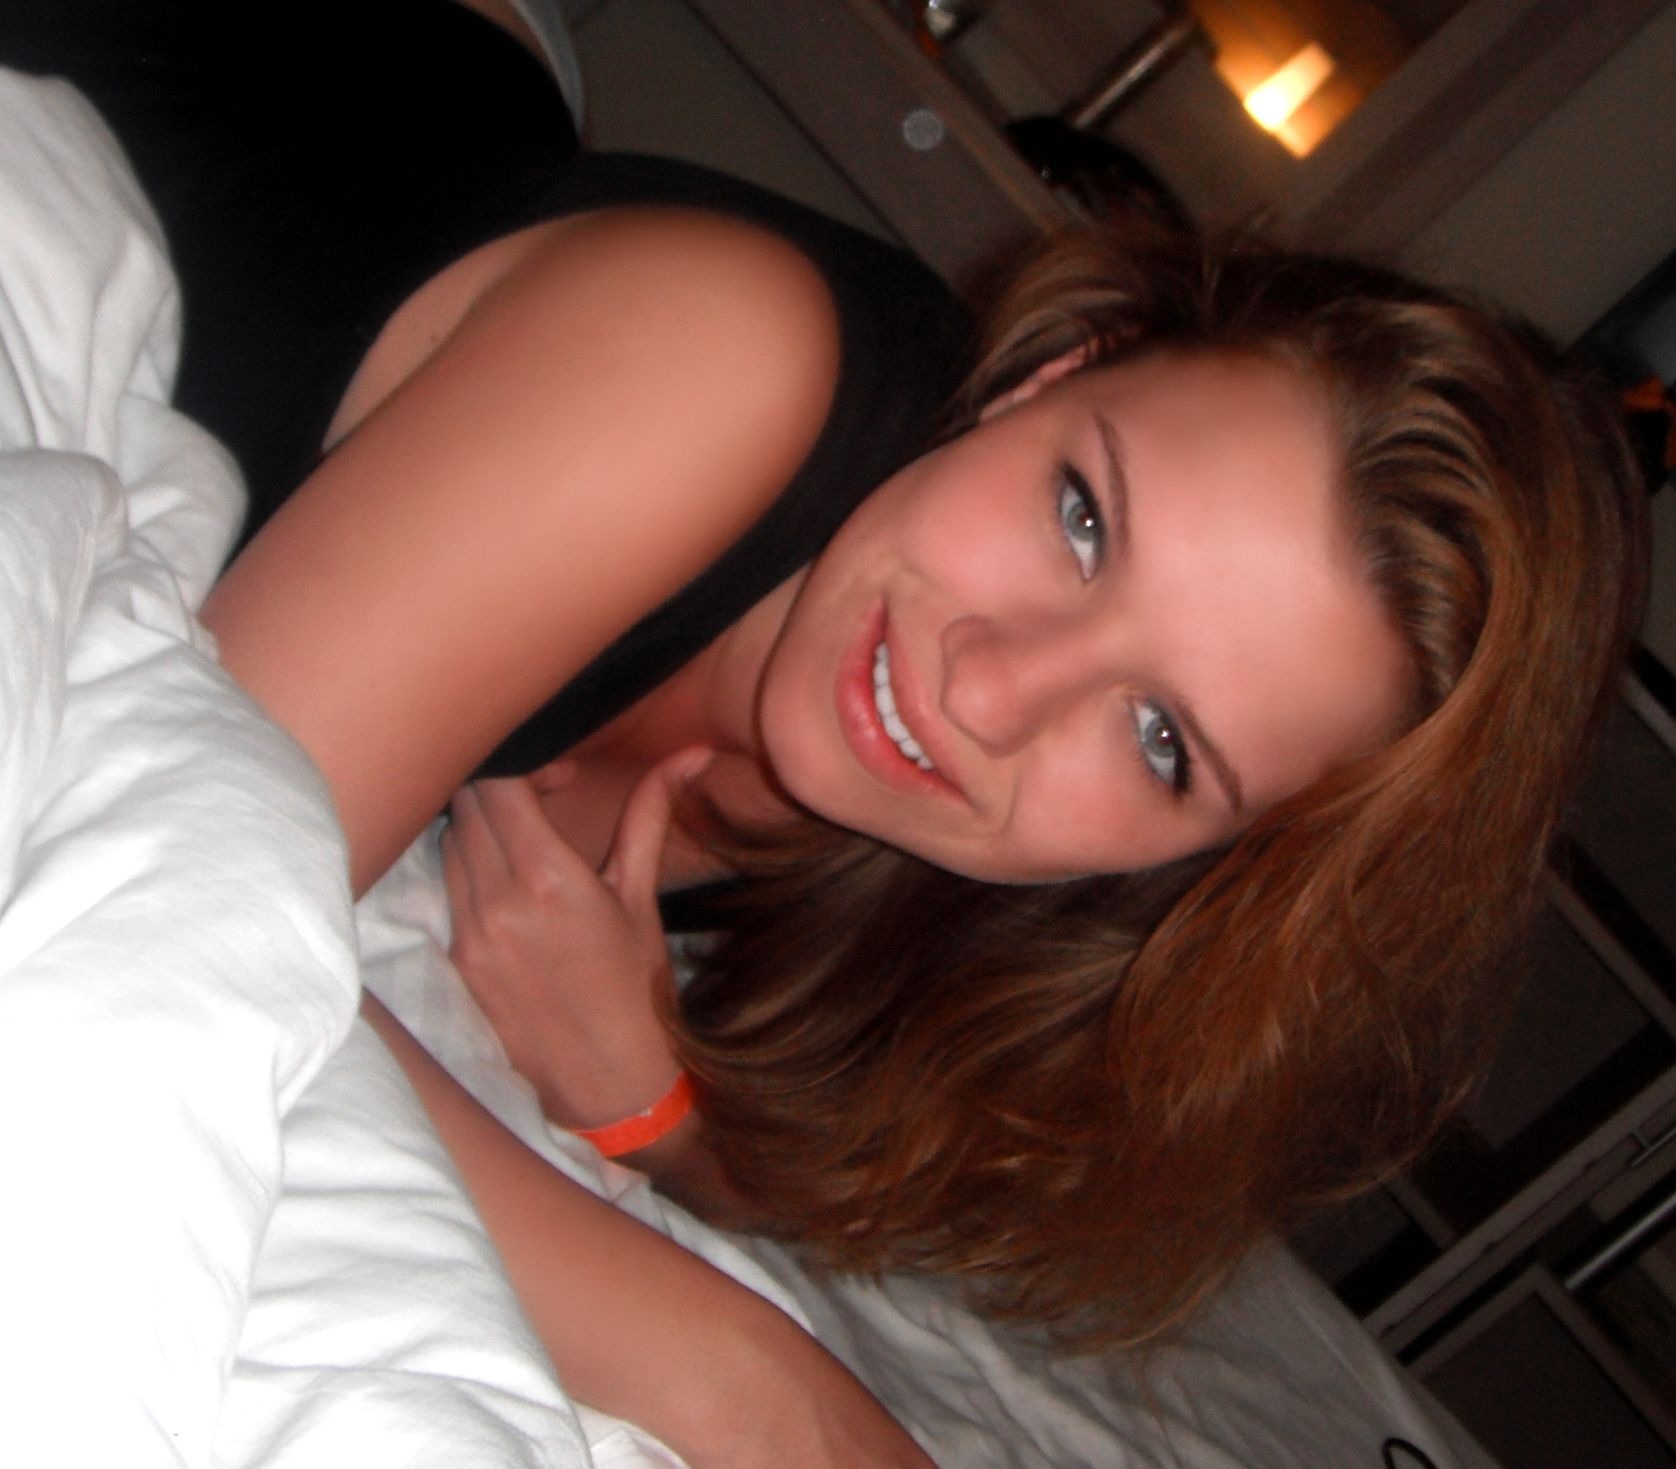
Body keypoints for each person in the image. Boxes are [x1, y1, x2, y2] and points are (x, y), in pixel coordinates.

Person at [11, 0, 1647, 1463]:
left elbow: (830, 1169)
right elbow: (174, 900)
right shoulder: (723, 353)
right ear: (1052, 374)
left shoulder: (945, 860)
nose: (989, 691)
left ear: (1209, 861)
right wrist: (773, 1396)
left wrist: (662, 1116)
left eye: (1162, 743)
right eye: (1082, 516)